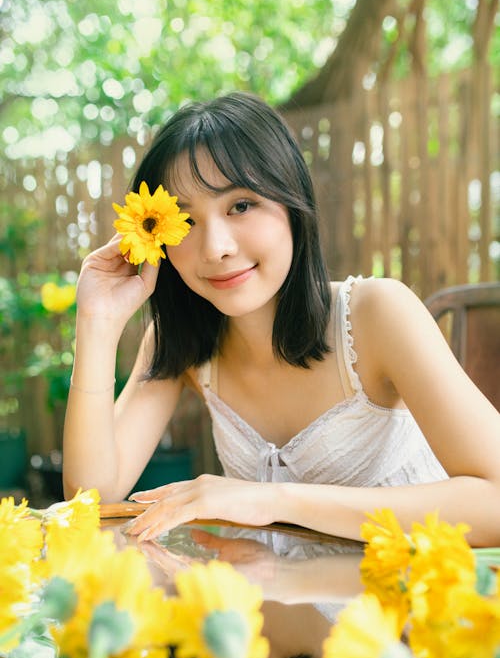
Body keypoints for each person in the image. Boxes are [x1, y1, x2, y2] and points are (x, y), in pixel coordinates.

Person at [63, 91, 500, 547]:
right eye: (186, 223)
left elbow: (495, 500)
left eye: (241, 206)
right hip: (274, 608)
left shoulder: (376, 315)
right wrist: (96, 321)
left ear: (292, 203)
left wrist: (274, 499)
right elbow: (91, 498)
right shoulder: (183, 343)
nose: (216, 248)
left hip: (409, 606)